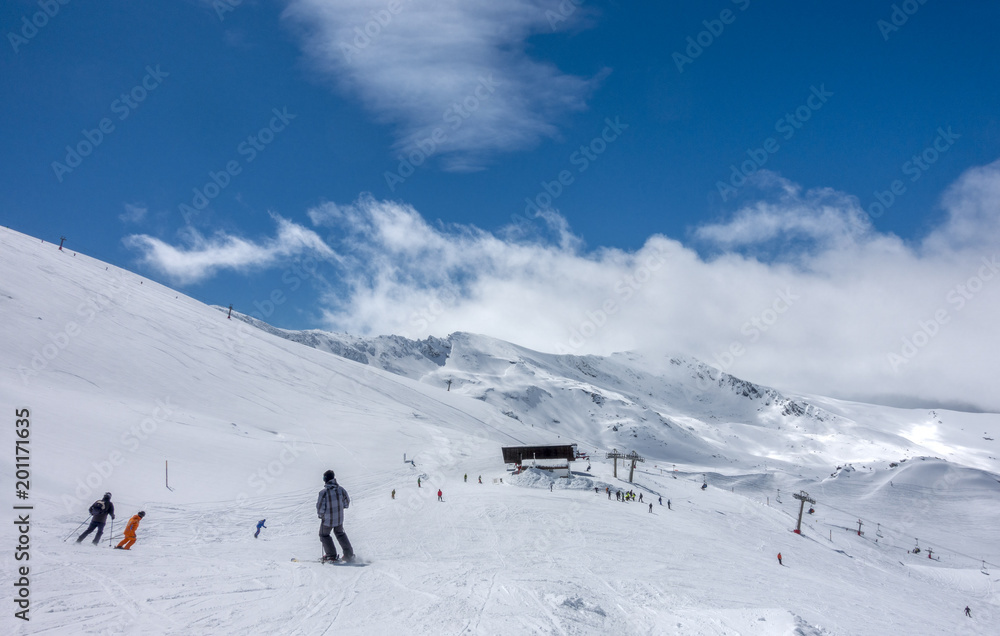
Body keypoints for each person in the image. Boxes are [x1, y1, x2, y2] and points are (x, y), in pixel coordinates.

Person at [317, 470, 354, 563]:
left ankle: (331, 555)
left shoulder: (323, 492)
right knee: (340, 533)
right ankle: (349, 554)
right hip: (339, 519)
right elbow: (347, 502)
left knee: (324, 535)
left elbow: (320, 507)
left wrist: (321, 515)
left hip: (327, 520)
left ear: (325, 479)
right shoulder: (341, 489)